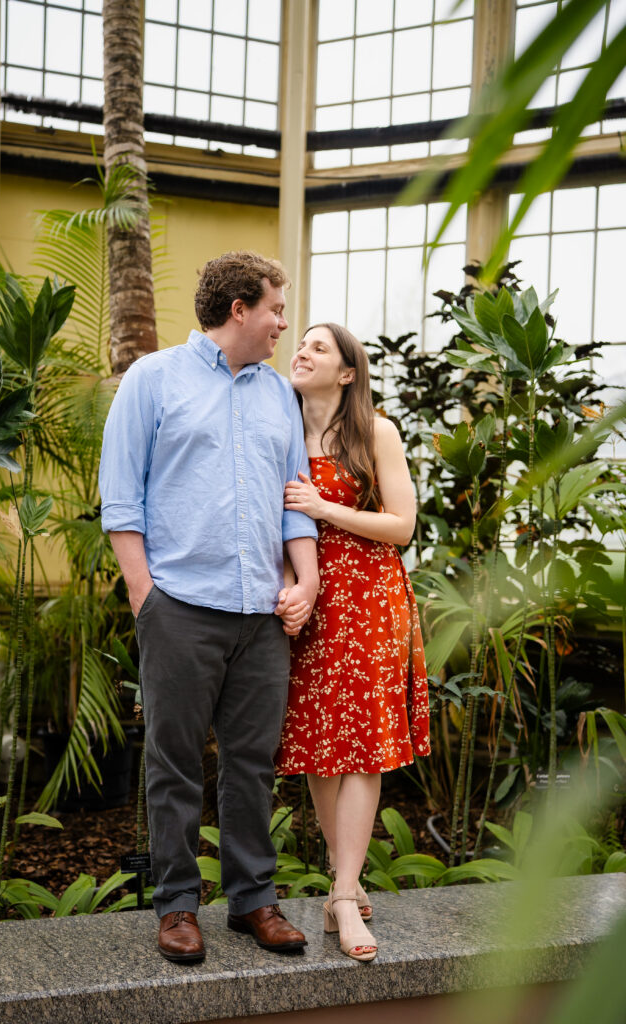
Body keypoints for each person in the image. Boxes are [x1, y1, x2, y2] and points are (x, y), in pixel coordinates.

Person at [99, 251, 319, 964]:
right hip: (180, 607)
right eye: (277, 310)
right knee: (174, 763)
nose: (284, 323)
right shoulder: (153, 378)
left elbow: (295, 503)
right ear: (240, 311)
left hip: (261, 613)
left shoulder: (278, 395)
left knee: (254, 764)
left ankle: (253, 900)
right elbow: (121, 497)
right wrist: (145, 595)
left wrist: (304, 582)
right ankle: (177, 908)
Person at [275, 322, 430, 963]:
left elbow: (401, 525)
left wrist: (323, 508)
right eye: (300, 342)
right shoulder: (278, 427)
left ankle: (341, 894)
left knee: (365, 744)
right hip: (307, 605)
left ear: (346, 373)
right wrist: (290, 587)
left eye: (318, 347)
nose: (300, 351)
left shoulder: (375, 431)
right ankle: (348, 878)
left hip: (370, 602)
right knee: (318, 746)